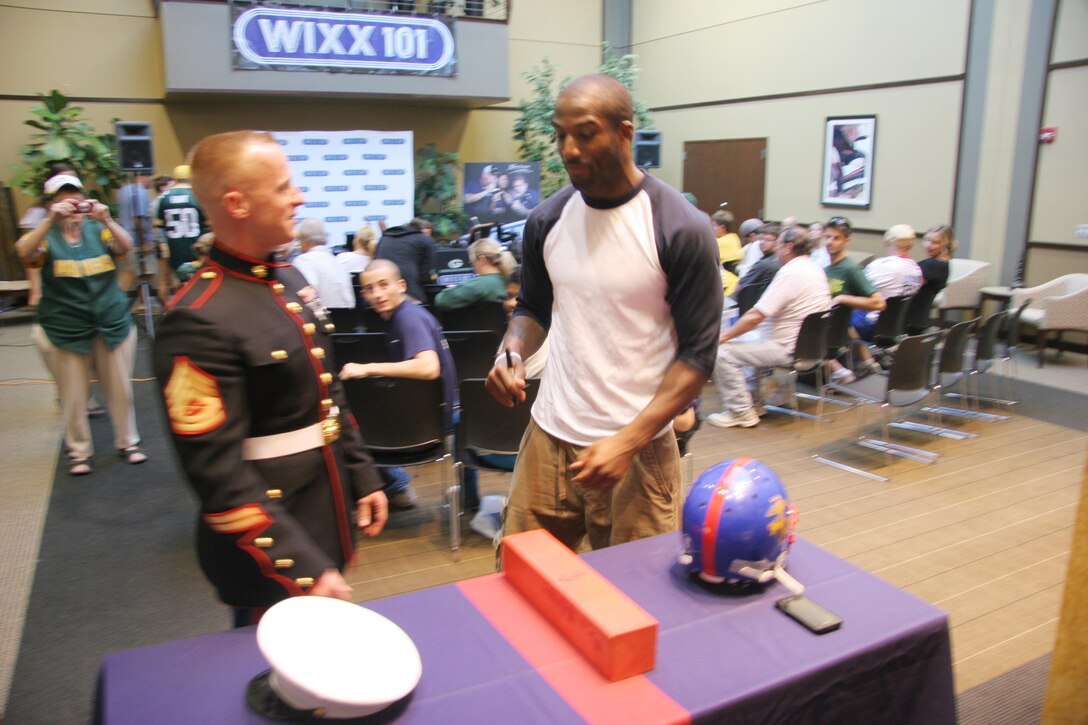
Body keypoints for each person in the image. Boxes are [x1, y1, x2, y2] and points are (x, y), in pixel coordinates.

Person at [152, 131, 388, 625]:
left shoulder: (290, 279)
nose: (298, 197)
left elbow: (329, 394)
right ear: (236, 203)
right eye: (283, 187)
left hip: (324, 509)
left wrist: (362, 473)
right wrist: (301, 567)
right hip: (268, 545)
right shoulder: (197, 318)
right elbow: (218, 474)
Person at [485, 74, 722, 551]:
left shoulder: (679, 228)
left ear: (624, 133)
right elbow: (533, 308)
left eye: (586, 133)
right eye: (561, 134)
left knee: (635, 601)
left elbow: (698, 359)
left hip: (636, 452)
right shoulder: (546, 221)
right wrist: (510, 351)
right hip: (549, 437)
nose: (569, 148)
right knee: (523, 585)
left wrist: (628, 441)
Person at [15, 173, 147, 475]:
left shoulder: (97, 231)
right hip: (66, 326)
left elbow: (125, 247)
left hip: (109, 321)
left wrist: (107, 220)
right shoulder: (45, 236)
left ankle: (128, 443)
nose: (69, 202)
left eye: (74, 195)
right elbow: (25, 253)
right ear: (50, 202)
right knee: (73, 395)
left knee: (120, 389)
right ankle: (79, 452)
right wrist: (48, 221)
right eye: (62, 197)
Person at [340, 259, 458, 508]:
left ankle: (394, 485)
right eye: (370, 289)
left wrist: (366, 368)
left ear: (401, 285)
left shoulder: (408, 318)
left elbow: (428, 367)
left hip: (428, 429)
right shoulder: (407, 316)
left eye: (384, 285)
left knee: (343, 429)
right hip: (430, 423)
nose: (378, 294)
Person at [709, 225, 831, 428]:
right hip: (807, 347)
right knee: (745, 341)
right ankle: (753, 404)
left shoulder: (791, 272)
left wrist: (724, 337)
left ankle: (740, 411)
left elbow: (757, 315)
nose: (775, 249)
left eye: (779, 244)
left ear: (788, 247)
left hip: (785, 347)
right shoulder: (814, 268)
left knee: (722, 352)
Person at [822, 216, 885, 382]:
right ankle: (865, 363)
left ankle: (839, 370)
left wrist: (843, 298)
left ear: (846, 241)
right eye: (828, 237)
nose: (830, 242)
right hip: (837, 329)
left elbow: (879, 303)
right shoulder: (828, 268)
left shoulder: (850, 269)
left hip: (832, 334)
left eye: (836, 238)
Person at [853, 223, 923, 340]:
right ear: (910, 246)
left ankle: (852, 355)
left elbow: (856, 289)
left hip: (871, 324)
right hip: (898, 326)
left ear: (886, 242)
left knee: (838, 317)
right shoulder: (916, 270)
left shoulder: (880, 266)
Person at [155, 164, 207, 300]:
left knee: (178, 283)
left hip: (174, 247)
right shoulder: (197, 195)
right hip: (197, 246)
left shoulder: (164, 198)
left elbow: (158, 223)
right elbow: (207, 221)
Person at [434, 238, 515, 312]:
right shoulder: (511, 280)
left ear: (481, 259)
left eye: (472, 261)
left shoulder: (476, 285)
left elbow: (441, 300)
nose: (473, 266)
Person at [292, 218, 356, 309]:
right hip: (347, 320)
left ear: (304, 239)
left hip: (320, 320)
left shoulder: (303, 260)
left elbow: (308, 297)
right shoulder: (338, 262)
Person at [905, 224, 954, 335]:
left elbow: (907, 289)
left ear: (946, 245)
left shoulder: (932, 265)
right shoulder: (944, 264)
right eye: (927, 240)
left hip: (906, 321)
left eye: (935, 242)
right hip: (920, 320)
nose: (928, 245)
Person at [374, 217, 435, 303]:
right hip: (411, 296)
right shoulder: (425, 240)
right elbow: (425, 277)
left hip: (382, 295)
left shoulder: (384, 238)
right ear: (425, 231)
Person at [115, 170, 155, 293]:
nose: (152, 182)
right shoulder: (140, 192)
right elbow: (138, 219)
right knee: (137, 273)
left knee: (134, 273)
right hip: (137, 240)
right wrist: (145, 242)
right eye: (151, 178)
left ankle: (143, 303)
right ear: (143, 176)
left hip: (126, 238)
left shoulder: (124, 190)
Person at [733, 223, 780, 293]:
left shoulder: (763, 264)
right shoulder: (780, 260)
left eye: (768, 240)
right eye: (761, 239)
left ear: (778, 242)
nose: (762, 242)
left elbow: (738, 288)